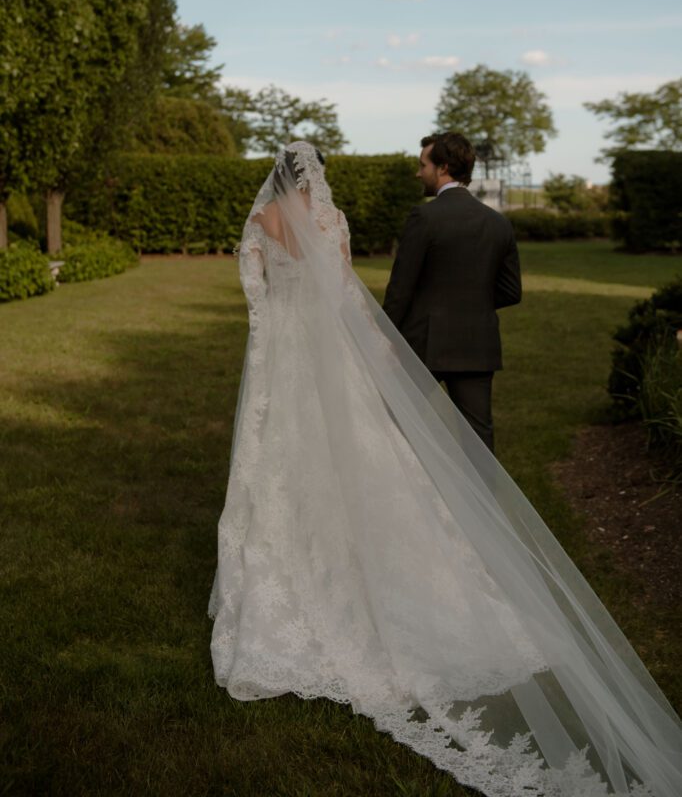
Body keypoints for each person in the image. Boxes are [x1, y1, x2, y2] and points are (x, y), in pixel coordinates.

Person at [208, 140, 681, 797]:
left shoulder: (261, 223)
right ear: (316, 178)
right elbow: (348, 291)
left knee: (282, 462)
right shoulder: (334, 223)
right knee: (387, 456)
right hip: (363, 348)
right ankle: (450, 531)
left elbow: (256, 303)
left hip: (286, 355)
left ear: (274, 178)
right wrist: (366, 346)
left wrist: (267, 356)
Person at [383, 132, 521, 452]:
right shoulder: (499, 223)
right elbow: (512, 291)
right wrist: (472, 304)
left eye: (423, 165)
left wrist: (382, 336)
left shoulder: (424, 216)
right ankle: (484, 503)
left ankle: (405, 499)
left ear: (442, 168)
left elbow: (400, 290)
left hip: (423, 343)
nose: (419, 173)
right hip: (477, 343)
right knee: (478, 440)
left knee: (398, 427)